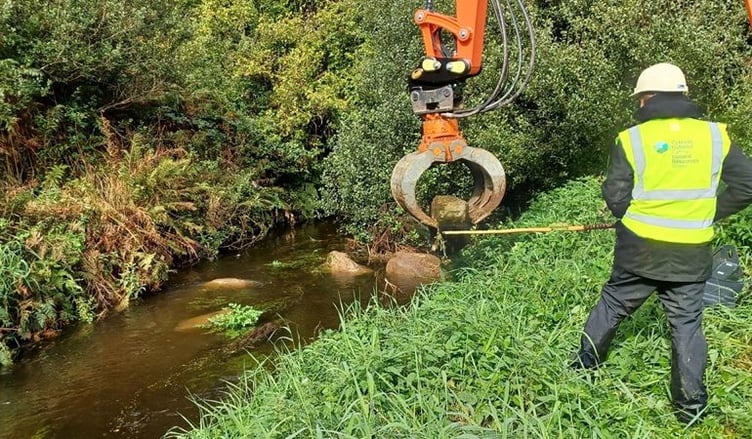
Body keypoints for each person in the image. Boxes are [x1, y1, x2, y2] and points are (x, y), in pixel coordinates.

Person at [571, 62, 752, 424]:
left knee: (612, 307)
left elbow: (616, 194)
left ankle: (581, 372)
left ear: (647, 98)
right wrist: (708, 213)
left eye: (639, 98)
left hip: (640, 249)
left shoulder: (633, 138)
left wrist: (636, 219)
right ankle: (690, 411)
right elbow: (747, 186)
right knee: (686, 326)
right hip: (692, 250)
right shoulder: (716, 136)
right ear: (683, 94)